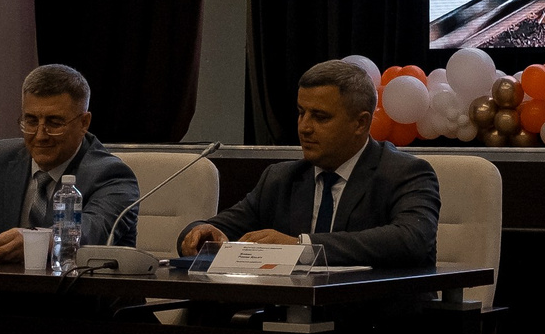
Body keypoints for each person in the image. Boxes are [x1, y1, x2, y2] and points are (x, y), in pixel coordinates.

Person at [180, 59, 438, 268]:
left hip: (371, 312)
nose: (304, 127)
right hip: (291, 310)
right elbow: (213, 227)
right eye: (301, 113)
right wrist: (200, 233)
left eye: (320, 117)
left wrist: (301, 247)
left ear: (360, 123)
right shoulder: (280, 178)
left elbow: (411, 239)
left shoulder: (405, 173)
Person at [0, 64, 139, 260]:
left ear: (84, 123)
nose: (40, 135)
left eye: (54, 123)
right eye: (31, 121)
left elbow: (91, 232)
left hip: (72, 296)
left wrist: (34, 241)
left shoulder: (112, 175)